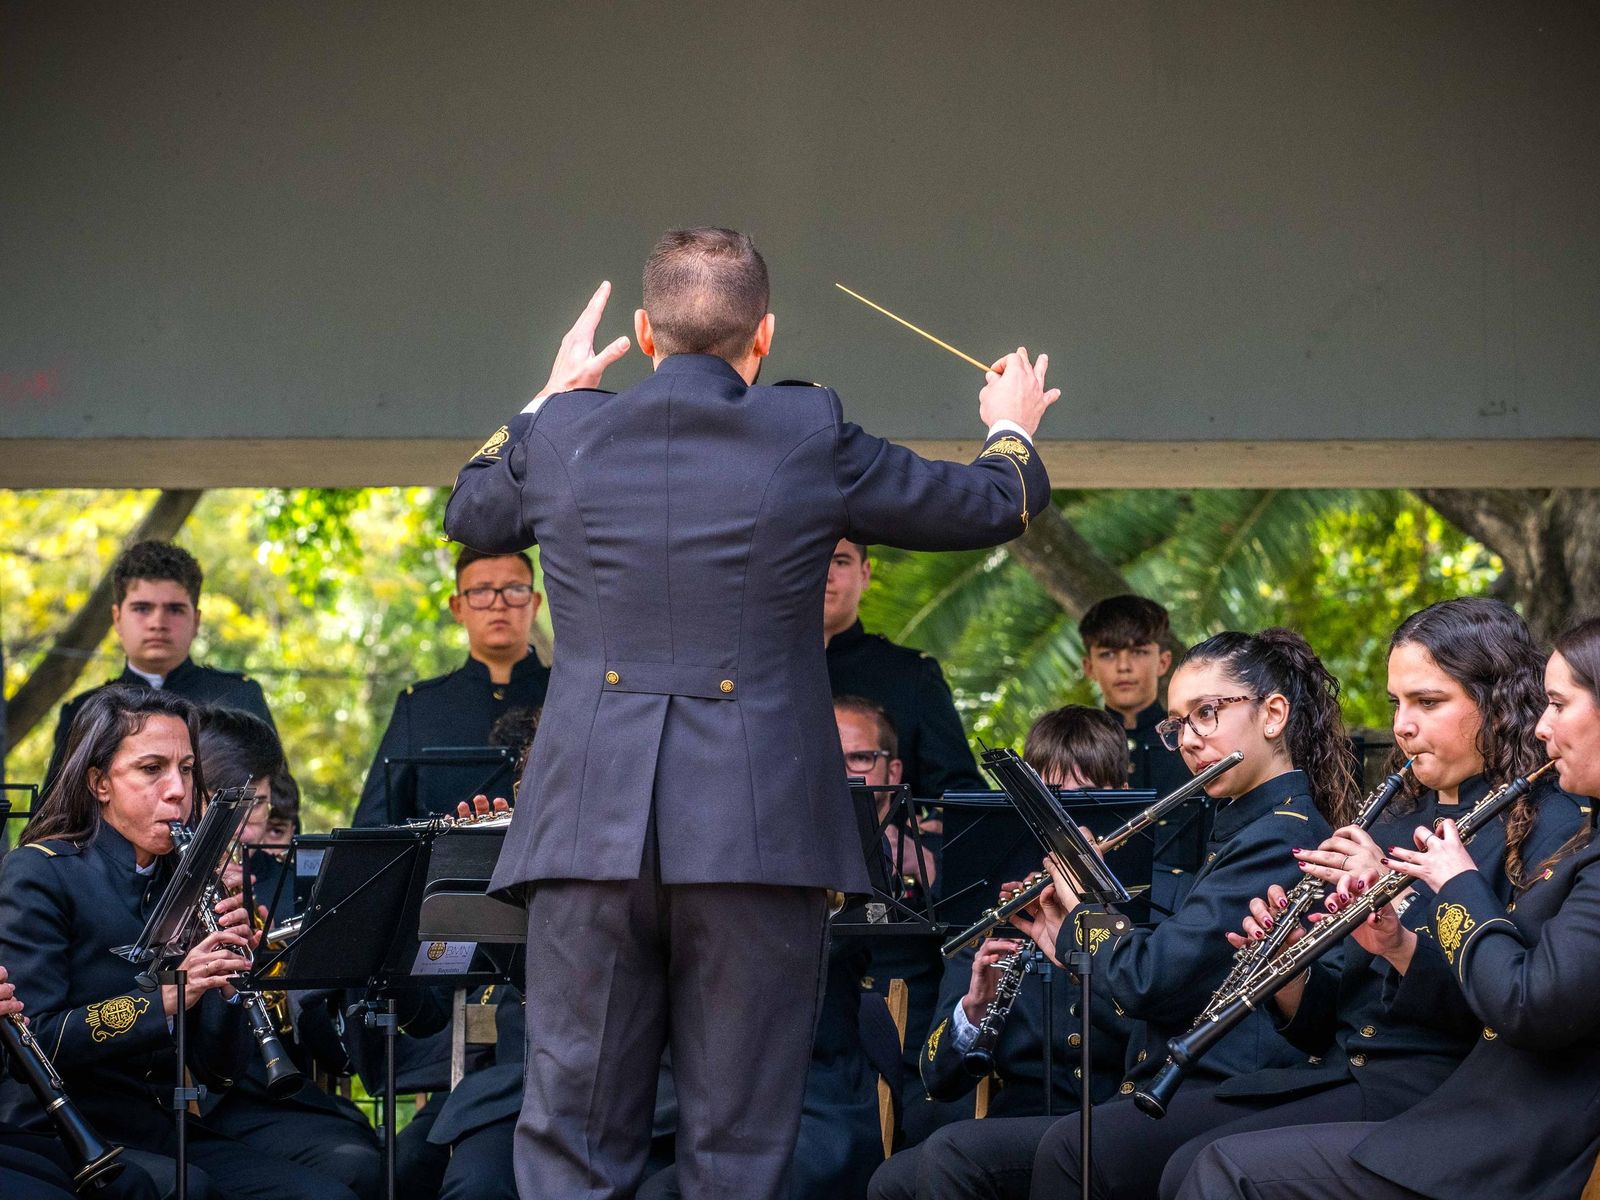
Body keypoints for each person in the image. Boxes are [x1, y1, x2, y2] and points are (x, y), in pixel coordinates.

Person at [443, 226, 1055, 1199]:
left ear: (644, 333)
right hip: (757, 836)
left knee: (569, 1144)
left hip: (585, 835)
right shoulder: (806, 432)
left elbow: (471, 512)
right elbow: (993, 502)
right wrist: (1011, 421)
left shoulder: (563, 433)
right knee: (738, 1151)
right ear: (761, 338)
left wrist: (544, 398)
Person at [1051, 599, 1584, 1200]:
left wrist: (1401, 928)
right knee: (1181, 1162)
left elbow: (1509, 1008)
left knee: (1209, 1168)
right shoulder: (1387, 826)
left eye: (1427, 703)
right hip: (1347, 1073)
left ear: (1497, 701)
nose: (1403, 725)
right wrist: (1285, 971)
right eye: (1397, 704)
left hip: (1445, 1094)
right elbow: (1332, 1021)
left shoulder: (1551, 831)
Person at [1018, 629, 1358, 1200]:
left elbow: (1151, 980)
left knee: (1072, 1150)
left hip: (1227, 1087)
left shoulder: (1280, 837)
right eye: (1178, 725)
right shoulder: (1242, 827)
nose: (1189, 741)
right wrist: (1071, 941)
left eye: (1206, 714)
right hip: (1186, 1082)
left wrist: (1082, 905)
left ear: (1273, 714)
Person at [0, 686, 355, 1200]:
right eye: (152, 769)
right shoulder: (39, 873)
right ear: (99, 782)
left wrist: (229, 989)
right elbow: (39, 1042)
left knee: (324, 1195)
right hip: (57, 1133)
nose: (178, 791)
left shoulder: (185, 881)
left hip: (157, 1129)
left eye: (187, 770)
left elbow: (218, 1070)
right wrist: (167, 996)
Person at [869, 706, 1133, 1200]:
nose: (1071, 823)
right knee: (892, 1182)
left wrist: (1084, 952)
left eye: (1088, 802)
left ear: (1121, 800)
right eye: (1053, 804)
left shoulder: (1147, 913)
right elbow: (938, 1079)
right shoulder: (1004, 912)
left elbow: (1157, 1032)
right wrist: (975, 1008)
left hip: (1119, 1115)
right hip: (1020, 1120)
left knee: (951, 1154)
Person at [191, 709, 383, 1200]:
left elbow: (313, 1025)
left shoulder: (265, 880)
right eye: (252, 803)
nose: (259, 823)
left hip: (268, 1086)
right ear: (209, 797)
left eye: (264, 802)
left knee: (363, 1159)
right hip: (205, 1101)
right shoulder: (165, 878)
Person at [45, 541, 274, 790]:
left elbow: (279, 809)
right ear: (118, 619)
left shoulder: (239, 699)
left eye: (174, 609)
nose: (158, 622)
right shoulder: (85, 712)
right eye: (142, 608)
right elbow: (54, 818)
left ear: (196, 621)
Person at [352, 546, 551, 826]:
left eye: (514, 589)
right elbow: (373, 827)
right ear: (457, 607)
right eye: (481, 591)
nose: (498, 604)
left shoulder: (566, 695)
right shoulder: (420, 707)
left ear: (535, 602)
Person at [824, 541, 986, 800]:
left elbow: (960, 793)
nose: (825, 575)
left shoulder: (911, 674)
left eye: (840, 562)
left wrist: (929, 826)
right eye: (813, 561)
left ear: (865, 574)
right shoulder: (750, 673)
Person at [1077, 595, 1205, 918]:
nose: (1123, 666)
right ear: (1088, 667)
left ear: (1163, 661)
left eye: (1138, 651)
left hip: (1185, 910)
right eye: (1108, 653)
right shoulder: (1073, 748)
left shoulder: (1194, 743)